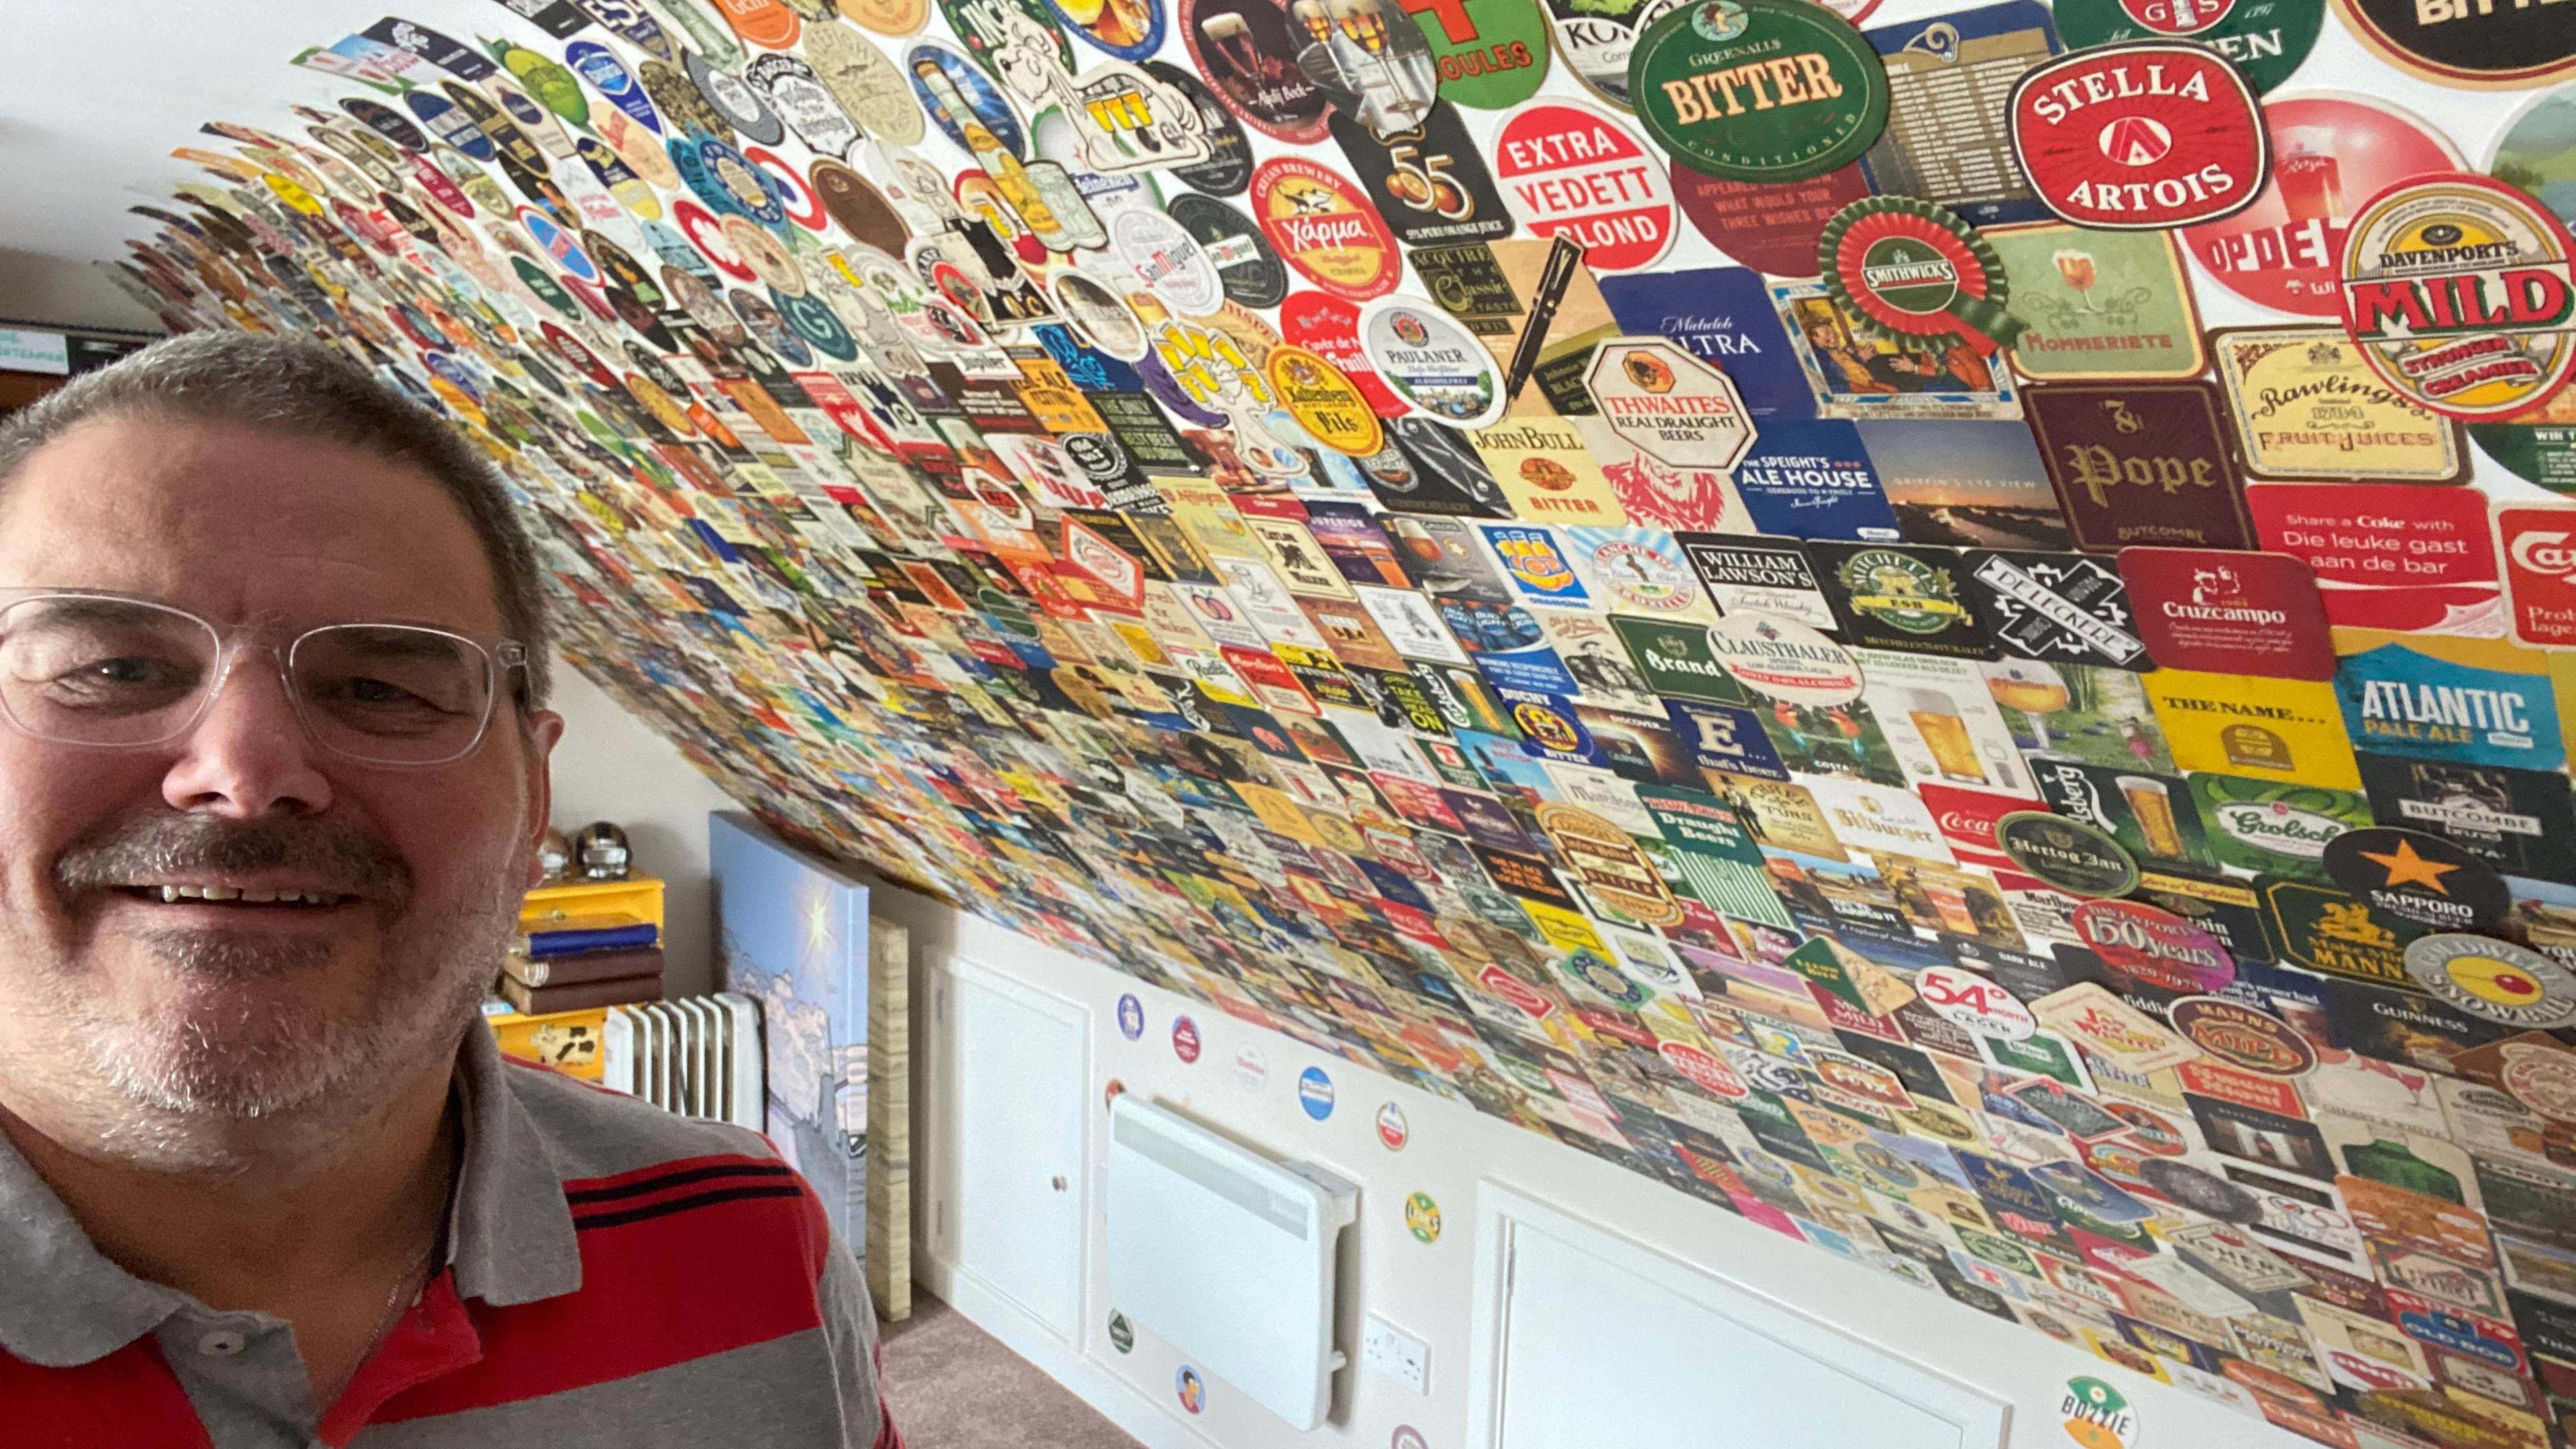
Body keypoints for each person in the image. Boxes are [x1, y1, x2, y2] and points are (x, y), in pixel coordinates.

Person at [0, 333, 898, 1448]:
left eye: (379, 686)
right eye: (114, 670)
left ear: (533, 796)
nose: (243, 774)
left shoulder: (756, 1247)